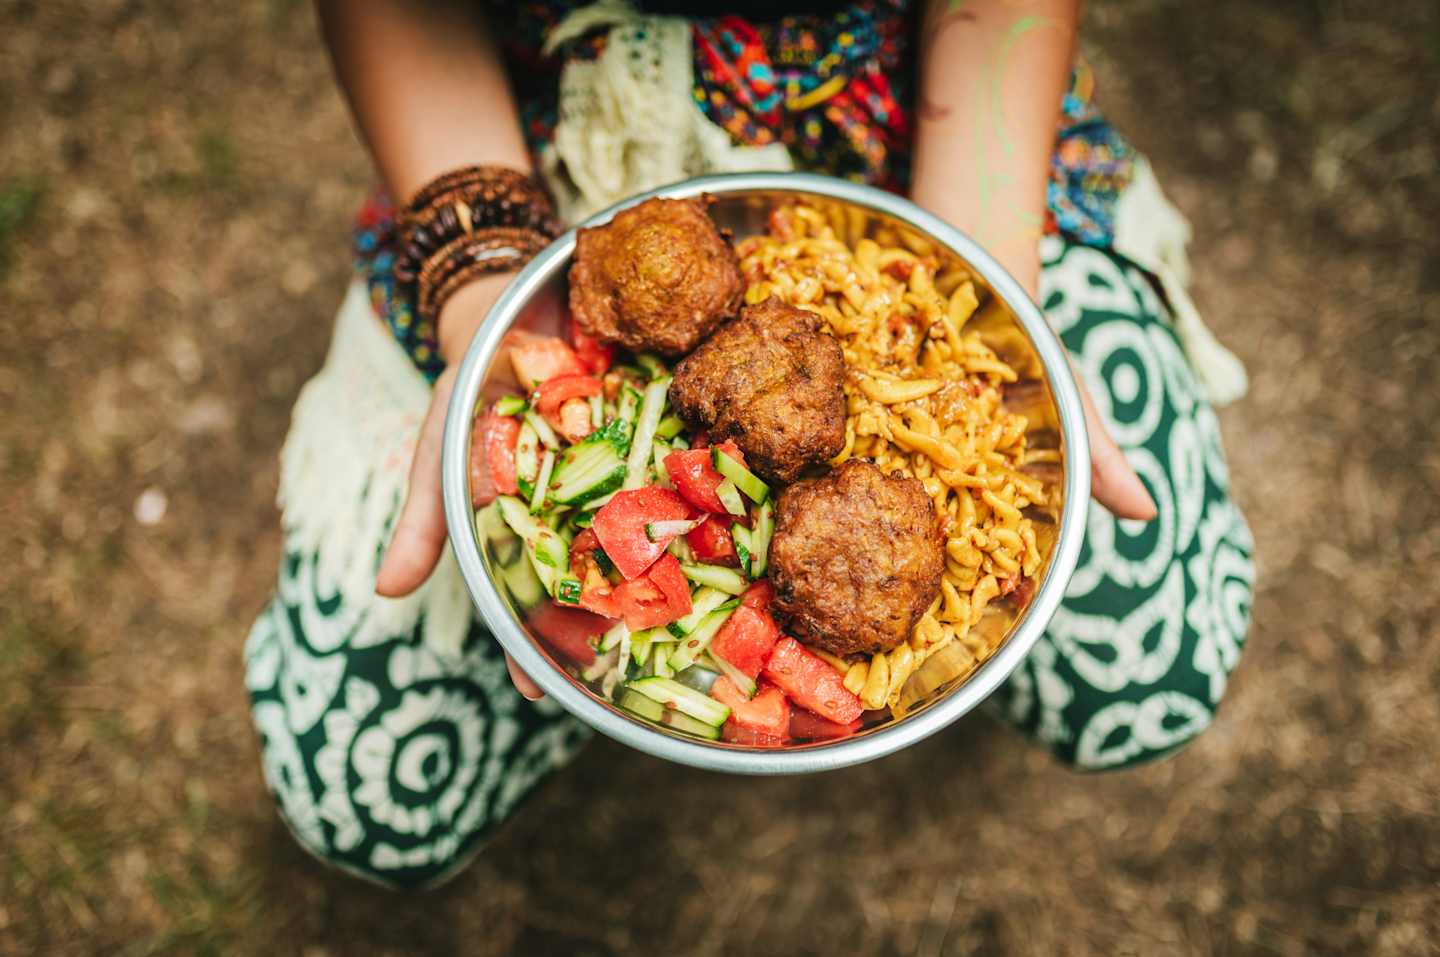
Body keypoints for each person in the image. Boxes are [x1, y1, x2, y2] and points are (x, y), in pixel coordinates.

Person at [244, 0, 1255, 889]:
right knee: (359, 796)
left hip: (929, 136)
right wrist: (485, 296)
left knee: (1154, 674)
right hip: (524, 165)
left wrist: (978, 283)